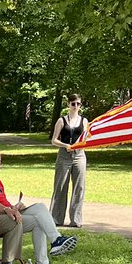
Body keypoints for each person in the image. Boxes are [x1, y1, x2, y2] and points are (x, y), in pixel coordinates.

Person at [0, 147, 77, 264]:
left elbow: (3, 203)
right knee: (39, 219)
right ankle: (54, 243)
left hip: (9, 213)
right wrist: (8, 210)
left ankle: (44, 262)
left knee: (40, 212)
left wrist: (15, 206)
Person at [50, 95, 89, 227]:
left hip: (79, 156)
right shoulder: (62, 121)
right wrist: (65, 145)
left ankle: (76, 220)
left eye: (78, 104)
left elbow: (86, 138)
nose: (76, 106)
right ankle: (56, 218)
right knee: (60, 186)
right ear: (68, 105)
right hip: (64, 156)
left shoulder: (84, 121)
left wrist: (79, 146)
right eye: (73, 104)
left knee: (79, 187)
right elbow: (54, 140)